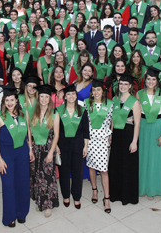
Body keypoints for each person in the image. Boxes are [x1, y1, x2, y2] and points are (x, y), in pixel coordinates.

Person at [0, 86, 33, 227]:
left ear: (17, 100)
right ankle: (10, 216)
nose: (9, 103)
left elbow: (28, 132)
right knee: (9, 186)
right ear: (3, 102)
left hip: (22, 152)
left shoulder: (24, 114)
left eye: (12, 100)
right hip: (6, 155)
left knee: (22, 183)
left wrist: (31, 149)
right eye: (6, 100)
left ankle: (22, 213)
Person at [136, 67, 161, 197]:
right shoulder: (139, 94)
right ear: (145, 80)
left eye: (153, 79)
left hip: (158, 127)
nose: (150, 81)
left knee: (157, 159)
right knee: (144, 158)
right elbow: (137, 114)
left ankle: (155, 188)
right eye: (148, 79)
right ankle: (143, 187)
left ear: (157, 80)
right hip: (144, 127)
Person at [109, 74, 141, 204]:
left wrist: (134, 141)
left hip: (128, 134)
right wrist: (110, 134)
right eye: (120, 84)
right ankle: (115, 193)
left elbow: (137, 123)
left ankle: (127, 196)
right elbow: (113, 118)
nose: (122, 86)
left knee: (127, 165)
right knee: (116, 164)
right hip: (116, 134)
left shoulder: (134, 101)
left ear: (130, 86)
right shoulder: (115, 99)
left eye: (125, 84)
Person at [56, 84, 90, 209]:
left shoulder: (82, 110)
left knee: (78, 172)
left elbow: (86, 130)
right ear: (65, 96)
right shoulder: (59, 111)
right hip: (63, 146)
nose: (71, 96)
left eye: (73, 94)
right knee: (64, 172)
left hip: (78, 145)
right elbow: (56, 131)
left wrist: (86, 146)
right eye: (68, 94)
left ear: (76, 96)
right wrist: (56, 147)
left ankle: (77, 197)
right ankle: (65, 195)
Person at [30, 84, 60, 217]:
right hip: (35, 147)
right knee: (36, 175)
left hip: (48, 147)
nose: (43, 99)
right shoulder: (33, 113)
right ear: (38, 98)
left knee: (48, 176)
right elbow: (29, 132)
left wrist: (51, 152)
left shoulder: (54, 113)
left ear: (50, 98)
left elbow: (57, 135)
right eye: (41, 96)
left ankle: (48, 204)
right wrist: (30, 149)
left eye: (46, 97)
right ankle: (39, 200)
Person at [85, 78, 113, 213]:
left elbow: (112, 120)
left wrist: (111, 134)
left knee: (104, 169)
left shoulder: (110, 104)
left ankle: (106, 198)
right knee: (91, 166)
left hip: (103, 140)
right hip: (90, 140)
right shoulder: (86, 104)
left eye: (98, 90)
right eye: (94, 90)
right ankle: (95, 191)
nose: (96, 92)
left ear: (103, 91)